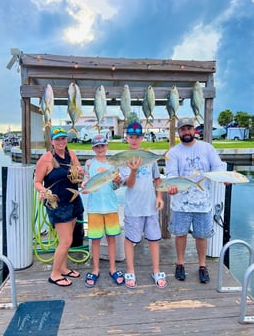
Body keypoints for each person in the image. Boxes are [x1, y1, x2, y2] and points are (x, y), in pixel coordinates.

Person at [166, 117, 225, 283]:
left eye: (189, 128)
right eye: (183, 129)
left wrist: (224, 177)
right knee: (180, 234)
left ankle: (202, 265)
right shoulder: (173, 152)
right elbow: (171, 174)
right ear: (178, 132)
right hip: (180, 203)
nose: (186, 132)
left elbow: (218, 168)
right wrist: (171, 186)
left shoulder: (207, 148)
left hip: (203, 202)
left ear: (194, 130)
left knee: (202, 236)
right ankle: (180, 263)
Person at [34, 126, 84, 287]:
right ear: (52, 141)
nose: (61, 141)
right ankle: (54, 274)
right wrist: (44, 191)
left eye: (63, 138)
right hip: (58, 204)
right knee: (66, 240)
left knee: (67, 239)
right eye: (57, 139)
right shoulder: (46, 159)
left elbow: (79, 173)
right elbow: (37, 182)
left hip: (73, 200)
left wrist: (81, 173)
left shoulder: (71, 155)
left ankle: (62, 268)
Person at [119, 122, 167, 289]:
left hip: (151, 207)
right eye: (131, 137)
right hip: (133, 207)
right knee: (130, 239)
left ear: (142, 138)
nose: (134, 140)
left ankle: (156, 270)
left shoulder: (149, 156)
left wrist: (159, 196)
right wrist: (133, 170)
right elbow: (129, 184)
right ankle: (130, 270)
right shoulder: (124, 158)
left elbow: (157, 179)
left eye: (137, 137)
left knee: (154, 239)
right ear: (126, 138)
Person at [82, 134, 124, 288]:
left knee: (112, 238)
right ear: (93, 148)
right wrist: (84, 186)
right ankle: (95, 269)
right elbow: (86, 181)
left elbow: (115, 186)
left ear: (107, 146)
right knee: (95, 240)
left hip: (111, 206)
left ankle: (113, 268)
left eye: (103, 146)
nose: (100, 149)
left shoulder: (113, 164)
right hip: (94, 208)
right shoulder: (88, 164)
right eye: (97, 146)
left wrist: (117, 182)